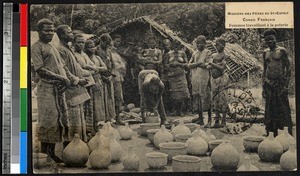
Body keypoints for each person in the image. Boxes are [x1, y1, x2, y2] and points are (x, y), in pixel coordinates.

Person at [32, 19, 85, 162]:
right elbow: (40, 70)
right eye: (46, 30)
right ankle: (44, 154)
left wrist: (74, 80)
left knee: (57, 120)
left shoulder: (52, 47)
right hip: (47, 88)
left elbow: (64, 68)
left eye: (52, 30)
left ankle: (51, 153)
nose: (50, 33)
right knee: (47, 120)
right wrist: (62, 79)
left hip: (59, 89)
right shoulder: (37, 47)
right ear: (39, 32)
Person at [56, 25, 90, 145]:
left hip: (77, 88)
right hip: (70, 89)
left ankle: (79, 145)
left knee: (78, 118)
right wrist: (77, 80)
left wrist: (83, 77)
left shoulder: (67, 48)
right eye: (69, 32)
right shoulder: (60, 49)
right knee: (71, 120)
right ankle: (71, 148)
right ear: (62, 35)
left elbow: (76, 66)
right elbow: (64, 69)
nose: (72, 34)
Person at [262, 28, 292, 136]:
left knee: (282, 108)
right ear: (265, 41)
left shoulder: (282, 51)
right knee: (270, 109)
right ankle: (271, 133)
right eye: (267, 40)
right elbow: (265, 70)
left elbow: (288, 68)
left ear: (275, 39)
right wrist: (263, 86)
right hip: (269, 83)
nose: (270, 42)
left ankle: (285, 134)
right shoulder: (265, 52)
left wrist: (286, 86)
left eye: (272, 39)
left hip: (280, 84)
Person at [73, 34, 97, 136]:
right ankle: (84, 132)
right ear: (74, 43)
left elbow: (92, 65)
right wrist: (91, 71)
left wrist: (91, 68)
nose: (81, 44)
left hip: (90, 83)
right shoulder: (74, 55)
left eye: (83, 42)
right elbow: (79, 70)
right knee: (83, 109)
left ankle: (89, 130)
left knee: (90, 108)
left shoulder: (83, 54)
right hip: (82, 83)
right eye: (79, 42)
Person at [96, 33, 121, 124]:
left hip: (110, 77)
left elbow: (113, 65)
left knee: (113, 97)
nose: (107, 45)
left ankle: (114, 118)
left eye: (108, 44)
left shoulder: (109, 51)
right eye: (106, 43)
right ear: (101, 41)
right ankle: (104, 120)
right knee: (103, 99)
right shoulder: (96, 50)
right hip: (101, 77)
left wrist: (111, 75)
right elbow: (95, 65)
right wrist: (103, 76)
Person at [188, 35, 212, 125]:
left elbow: (208, 65)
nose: (199, 45)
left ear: (205, 43)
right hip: (196, 78)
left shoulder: (208, 52)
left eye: (201, 43)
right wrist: (199, 63)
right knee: (198, 97)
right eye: (197, 43)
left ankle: (209, 119)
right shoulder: (195, 53)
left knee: (207, 97)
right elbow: (188, 65)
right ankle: (200, 118)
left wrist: (197, 64)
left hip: (204, 77)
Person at [85, 39, 108, 132]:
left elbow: (105, 68)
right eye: (90, 47)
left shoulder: (97, 58)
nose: (93, 49)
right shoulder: (85, 57)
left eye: (93, 46)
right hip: (89, 82)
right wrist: (96, 69)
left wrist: (96, 68)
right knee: (91, 104)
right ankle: (91, 127)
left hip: (98, 81)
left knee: (98, 104)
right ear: (85, 48)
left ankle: (97, 124)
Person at [206, 38, 229, 128]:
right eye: (216, 44)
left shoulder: (225, 55)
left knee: (223, 99)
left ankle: (223, 120)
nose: (217, 46)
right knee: (215, 99)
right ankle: (216, 121)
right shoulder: (214, 55)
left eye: (219, 44)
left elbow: (222, 68)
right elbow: (208, 66)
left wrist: (212, 64)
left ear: (223, 45)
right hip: (214, 79)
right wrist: (214, 65)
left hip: (222, 78)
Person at [165, 41, 190, 116]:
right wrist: (170, 65)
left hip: (181, 75)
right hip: (172, 75)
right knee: (174, 93)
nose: (176, 47)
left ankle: (183, 110)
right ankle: (176, 110)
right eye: (174, 46)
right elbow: (165, 64)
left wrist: (178, 64)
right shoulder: (169, 54)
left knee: (184, 92)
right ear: (172, 46)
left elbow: (187, 64)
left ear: (179, 46)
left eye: (177, 46)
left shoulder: (182, 53)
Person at [111, 34, 127, 125]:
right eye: (116, 41)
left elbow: (121, 64)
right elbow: (114, 65)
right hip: (114, 77)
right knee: (114, 97)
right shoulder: (109, 53)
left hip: (119, 77)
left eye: (119, 42)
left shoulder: (116, 53)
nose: (117, 43)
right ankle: (114, 118)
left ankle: (117, 117)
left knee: (118, 98)